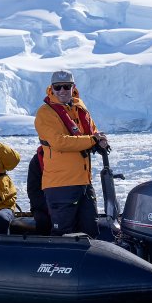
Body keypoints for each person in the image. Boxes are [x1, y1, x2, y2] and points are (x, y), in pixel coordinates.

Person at [34, 70, 109, 237]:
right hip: (61, 184)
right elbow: (60, 141)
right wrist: (92, 140)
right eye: (58, 87)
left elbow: (92, 132)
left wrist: (100, 141)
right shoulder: (45, 113)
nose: (62, 91)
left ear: (72, 87)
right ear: (51, 89)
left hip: (83, 182)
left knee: (90, 230)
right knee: (63, 233)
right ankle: (56, 264)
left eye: (66, 87)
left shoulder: (78, 108)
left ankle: (88, 263)